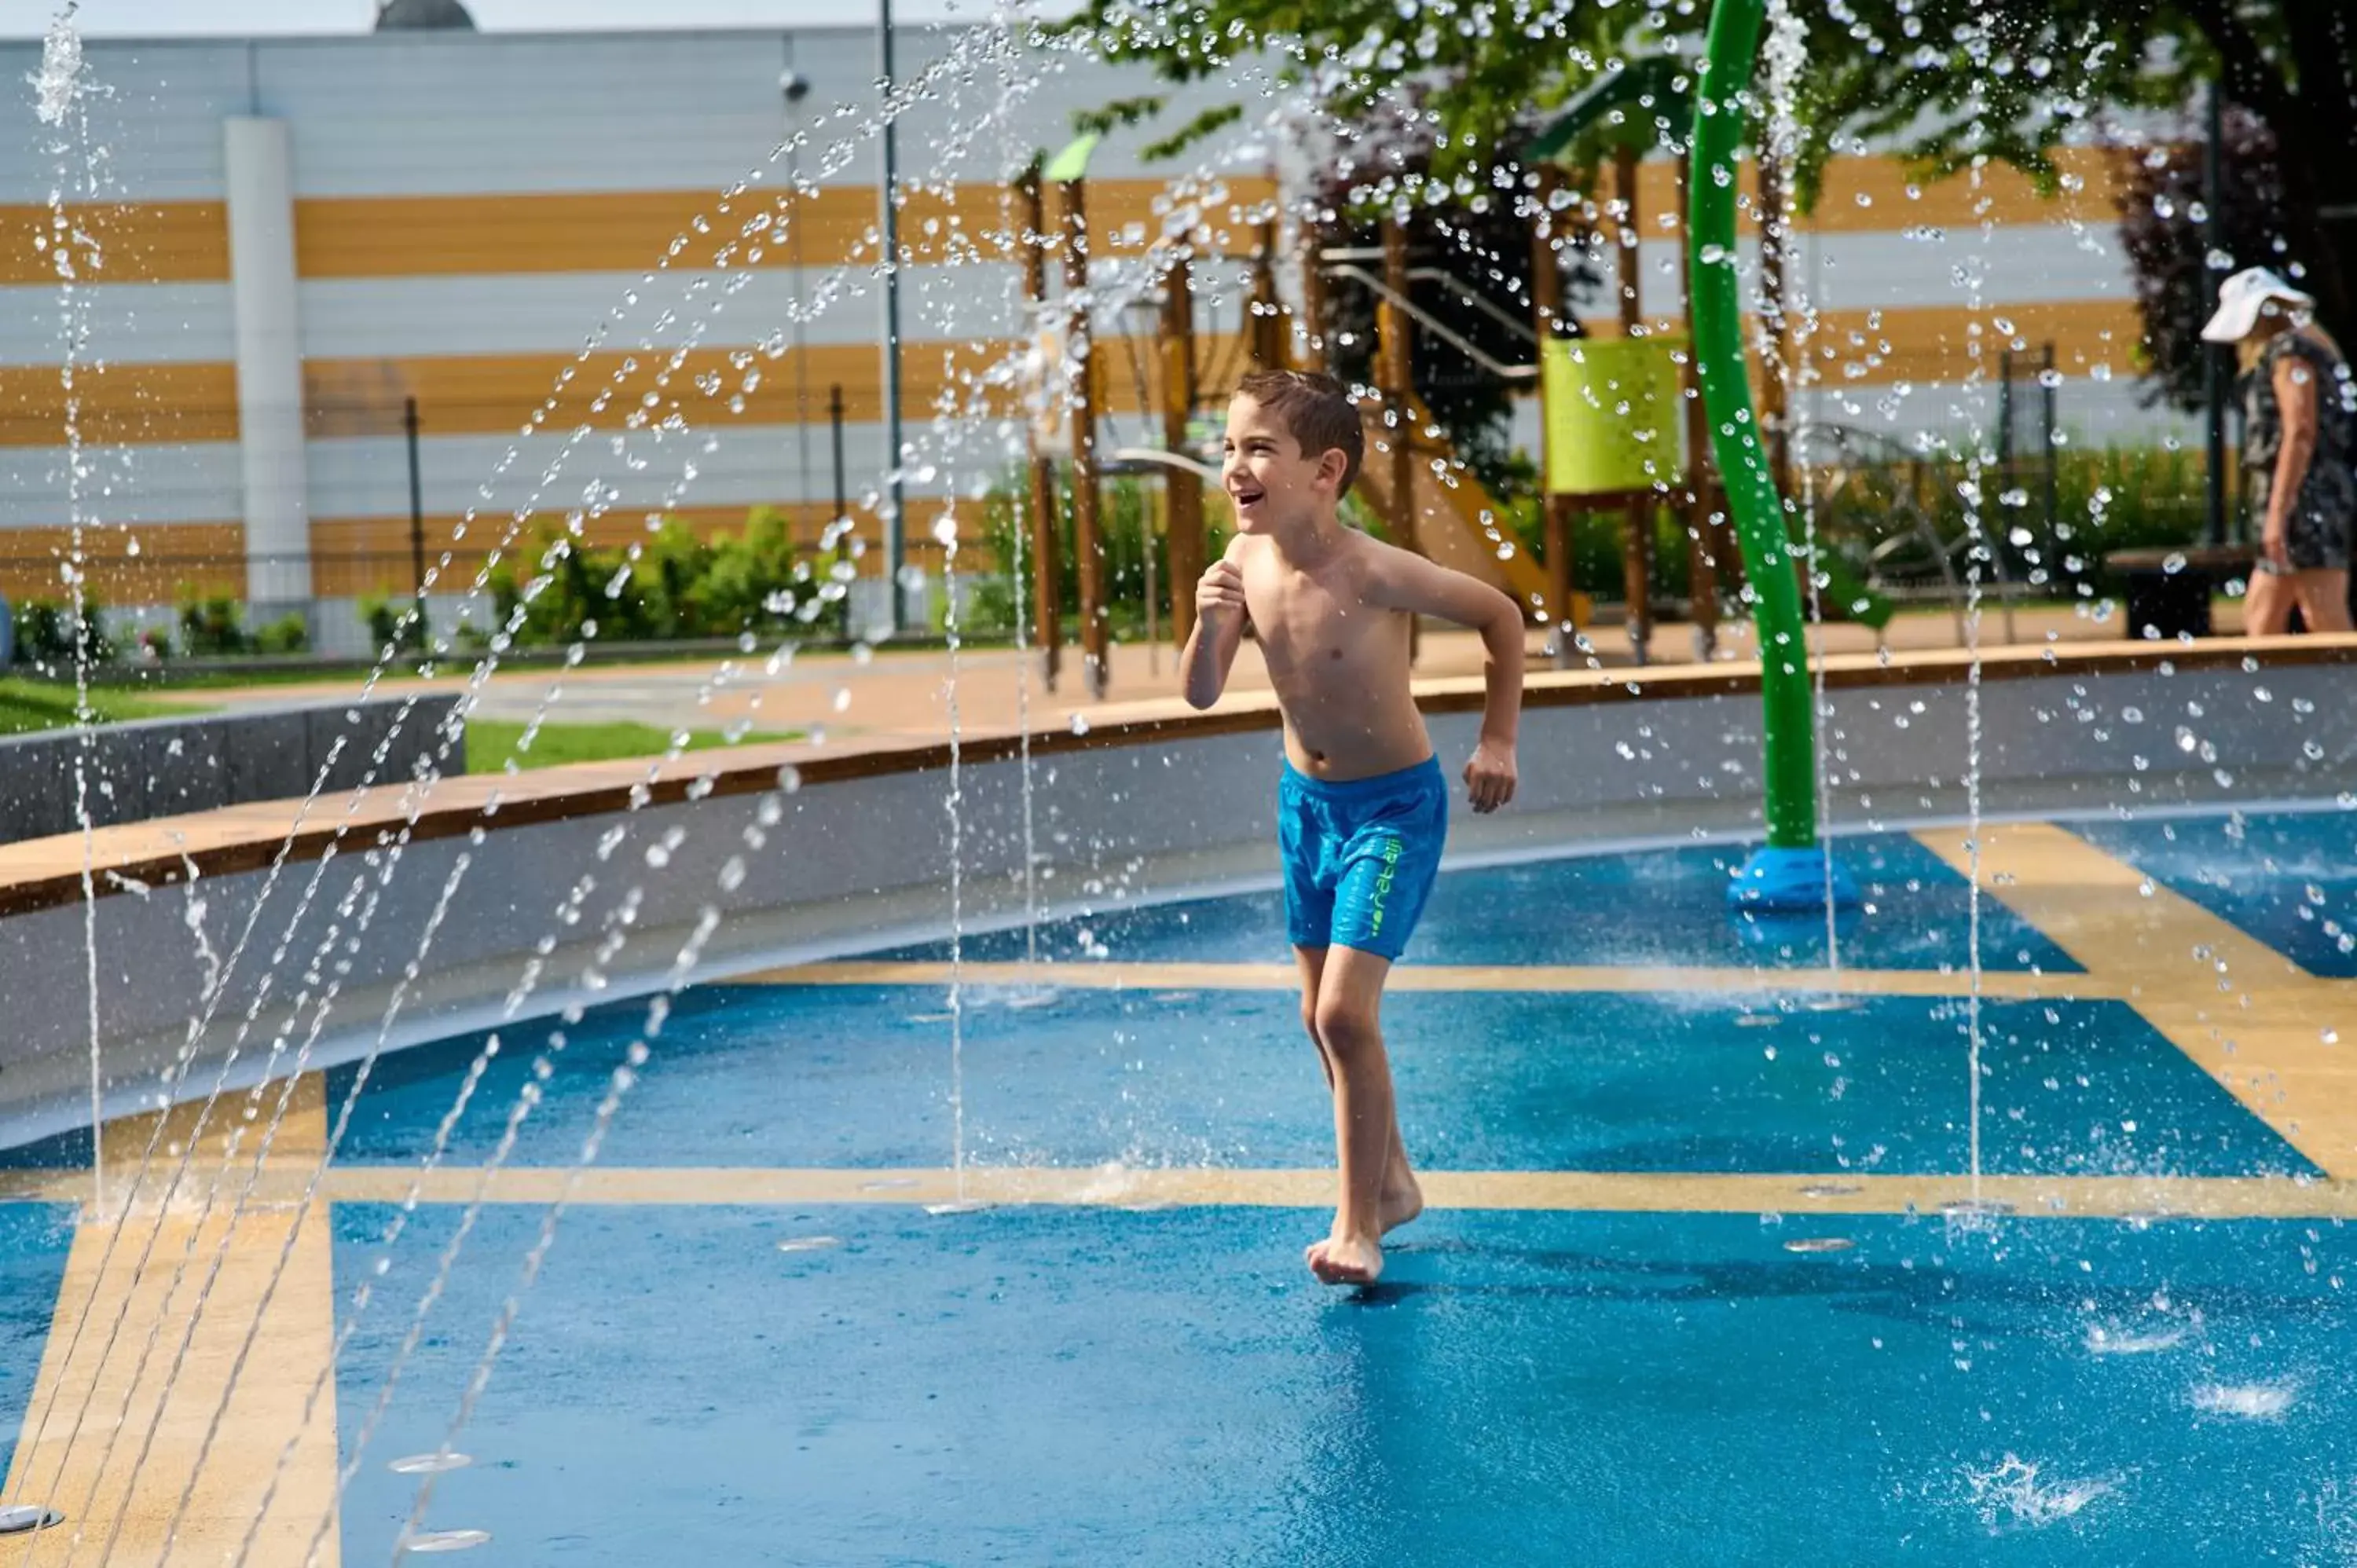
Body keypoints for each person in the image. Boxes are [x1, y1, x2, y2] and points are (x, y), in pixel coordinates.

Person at [1181, 369, 1526, 1287]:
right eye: (1228, 448)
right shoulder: (1241, 562)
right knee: (1315, 1013)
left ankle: (1358, 1222)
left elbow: (1502, 614)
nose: (1235, 466)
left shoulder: (1372, 570)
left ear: (1325, 470)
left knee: (1343, 1012)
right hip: (1306, 809)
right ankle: (1397, 1180)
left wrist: (1497, 739)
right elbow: (1202, 689)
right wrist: (1210, 622)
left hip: (1393, 810)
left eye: (1259, 448)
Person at [2201, 267, 2357, 634]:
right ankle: (2257, 691)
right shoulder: (2309, 345)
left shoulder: (2290, 352)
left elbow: (2300, 431)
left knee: (2326, 619)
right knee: (2262, 618)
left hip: (2307, 500)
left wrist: (2278, 513)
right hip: (2308, 495)